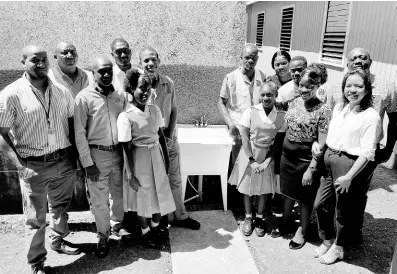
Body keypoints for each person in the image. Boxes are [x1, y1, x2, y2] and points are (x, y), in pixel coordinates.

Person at [0, 45, 80, 274]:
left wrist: (75, 157)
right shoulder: (11, 94)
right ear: (23, 61)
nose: (42, 63)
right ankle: (37, 263)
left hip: (63, 161)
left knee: (61, 208)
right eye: (35, 60)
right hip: (33, 165)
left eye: (45, 59)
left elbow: (72, 125)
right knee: (35, 218)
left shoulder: (61, 91)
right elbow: (2, 134)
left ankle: (59, 240)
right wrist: (19, 166)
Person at [323, 48, 397, 246]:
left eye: (363, 57)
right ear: (347, 63)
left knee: (356, 194)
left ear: (370, 62)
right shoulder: (342, 88)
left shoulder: (386, 86)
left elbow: (395, 119)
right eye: (353, 58)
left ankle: (351, 235)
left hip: (366, 151)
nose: (358, 61)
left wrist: (389, 149)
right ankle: (338, 235)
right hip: (340, 149)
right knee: (338, 197)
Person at [314, 69, 381, 264]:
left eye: (358, 86)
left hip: (348, 165)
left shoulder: (371, 116)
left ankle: (338, 247)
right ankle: (327, 239)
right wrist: (317, 146)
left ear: (367, 90)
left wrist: (350, 176)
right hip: (330, 158)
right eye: (349, 85)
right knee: (321, 204)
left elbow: (368, 152)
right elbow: (332, 135)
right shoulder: (339, 108)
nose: (353, 90)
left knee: (343, 210)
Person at [139, 46, 200, 230]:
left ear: (159, 60)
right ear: (140, 63)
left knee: (174, 178)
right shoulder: (139, 85)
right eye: (146, 60)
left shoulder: (168, 83)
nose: (150, 63)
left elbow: (173, 110)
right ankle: (155, 221)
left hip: (169, 138)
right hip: (149, 142)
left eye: (153, 59)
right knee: (152, 181)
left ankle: (179, 215)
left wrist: (170, 135)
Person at [272, 64, 332, 251]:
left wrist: (312, 169)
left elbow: (321, 144)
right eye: (302, 85)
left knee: (305, 198)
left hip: (306, 161)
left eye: (310, 86)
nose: (305, 89)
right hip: (287, 158)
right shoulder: (293, 102)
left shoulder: (323, 110)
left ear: (318, 86)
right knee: (288, 193)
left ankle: (302, 231)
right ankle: (286, 221)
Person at [74, 56, 128, 258]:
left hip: (119, 153)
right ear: (93, 73)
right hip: (97, 155)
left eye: (108, 70)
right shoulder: (83, 97)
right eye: (101, 71)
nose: (106, 74)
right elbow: (79, 133)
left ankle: (116, 226)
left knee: (119, 194)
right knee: (99, 199)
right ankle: (103, 236)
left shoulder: (120, 95)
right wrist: (87, 163)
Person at [117, 68, 176, 247]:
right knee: (142, 197)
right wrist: (130, 175)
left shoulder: (155, 110)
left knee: (160, 194)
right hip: (139, 159)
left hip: (156, 156)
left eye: (148, 89)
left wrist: (165, 161)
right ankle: (145, 231)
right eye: (141, 89)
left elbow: (161, 137)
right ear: (131, 89)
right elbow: (126, 148)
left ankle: (155, 226)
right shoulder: (125, 116)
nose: (145, 93)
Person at [228, 80, 286, 237]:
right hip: (250, 153)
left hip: (267, 155)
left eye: (269, 95)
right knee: (247, 188)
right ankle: (248, 217)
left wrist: (268, 161)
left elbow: (278, 142)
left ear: (275, 96)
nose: (266, 98)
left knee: (263, 189)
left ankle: (259, 218)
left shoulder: (280, 116)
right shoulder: (250, 111)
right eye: (263, 95)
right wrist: (252, 161)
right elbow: (245, 138)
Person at [218, 43, 266, 181]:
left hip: (257, 130)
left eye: (253, 58)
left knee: (254, 161)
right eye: (247, 57)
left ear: (257, 58)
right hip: (238, 129)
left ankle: (250, 194)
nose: (250, 61)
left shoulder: (262, 76)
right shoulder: (231, 78)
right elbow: (221, 102)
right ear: (241, 58)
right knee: (237, 161)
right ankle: (235, 195)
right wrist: (230, 124)